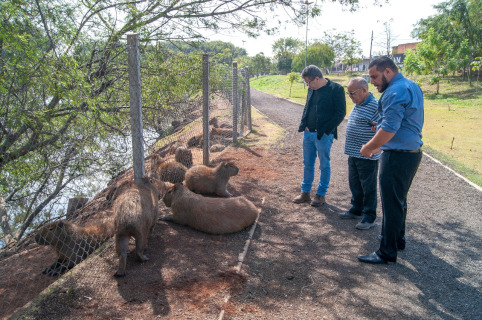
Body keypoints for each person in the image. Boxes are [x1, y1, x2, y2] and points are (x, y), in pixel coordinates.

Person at [358, 56, 424, 264]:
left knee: (390, 203)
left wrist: (369, 147)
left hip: (396, 155)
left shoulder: (394, 91)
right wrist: (379, 124)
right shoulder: (411, 85)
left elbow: (389, 129)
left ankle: (386, 252)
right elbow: (400, 120)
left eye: (375, 77)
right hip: (411, 153)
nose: (373, 82)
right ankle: (397, 239)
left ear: (388, 71)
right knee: (399, 200)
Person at [293, 65, 346, 207]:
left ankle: (320, 194)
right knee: (307, 163)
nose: (308, 86)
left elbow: (340, 113)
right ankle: (305, 193)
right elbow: (307, 107)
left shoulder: (336, 89)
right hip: (308, 133)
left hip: (323, 135)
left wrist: (327, 130)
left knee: (324, 165)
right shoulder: (312, 89)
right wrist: (304, 125)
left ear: (317, 78)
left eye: (308, 82)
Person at [340, 77, 380, 230]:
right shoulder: (359, 102)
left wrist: (377, 131)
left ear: (364, 90)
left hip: (367, 155)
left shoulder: (376, 106)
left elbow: (383, 129)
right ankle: (357, 208)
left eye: (352, 93)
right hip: (353, 152)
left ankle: (369, 216)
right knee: (355, 183)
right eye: (348, 93)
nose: (350, 97)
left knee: (368, 186)